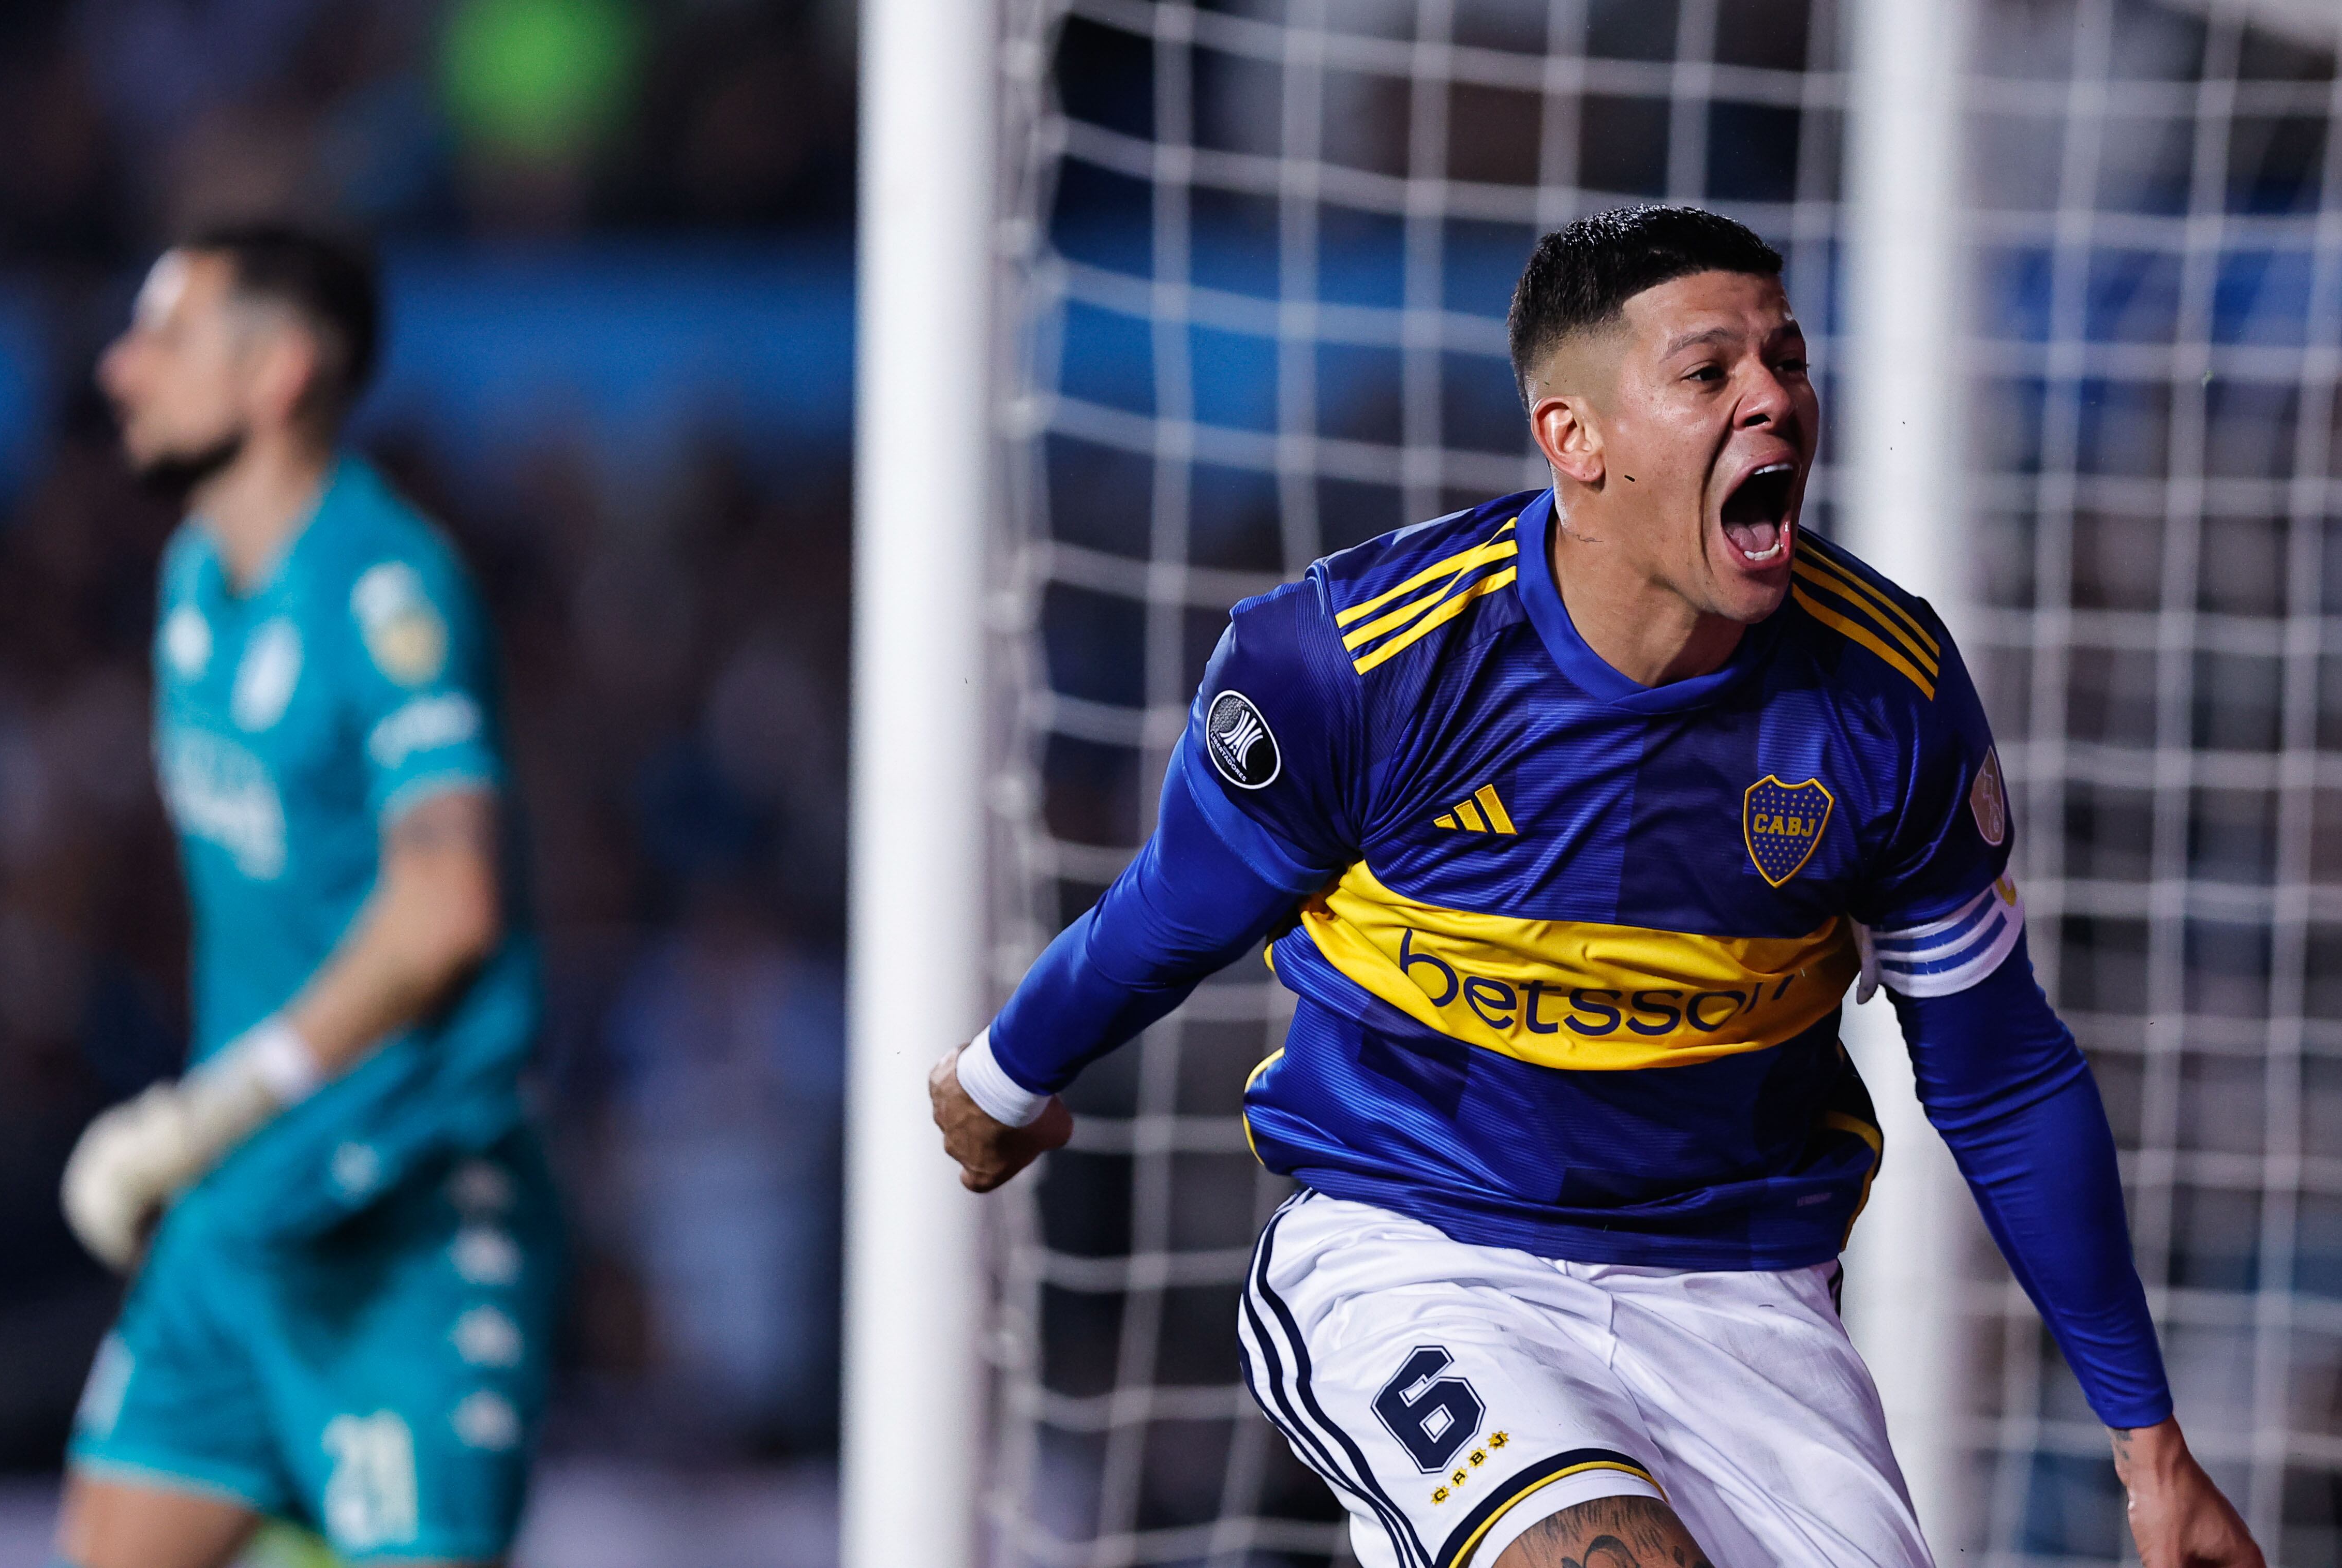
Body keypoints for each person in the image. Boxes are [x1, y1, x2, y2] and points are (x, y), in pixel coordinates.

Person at [930, 206, 2261, 1568]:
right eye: (1707, 373)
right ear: (1576, 441)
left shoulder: (1887, 696)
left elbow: (1997, 1070)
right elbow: (1174, 912)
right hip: (1427, 1252)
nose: (1773, 399)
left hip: (1744, 1302)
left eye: (1786, 359)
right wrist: (1001, 1080)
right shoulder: (1357, 662)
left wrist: (2148, 1448)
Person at [54, 224, 560, 1568]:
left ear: (277, 372)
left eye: (162, 337)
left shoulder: (389, 591)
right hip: (239, 1214)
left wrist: (210, 1104)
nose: (120, 370)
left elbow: (446, 907)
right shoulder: (189, 587)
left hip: (398, 1222)